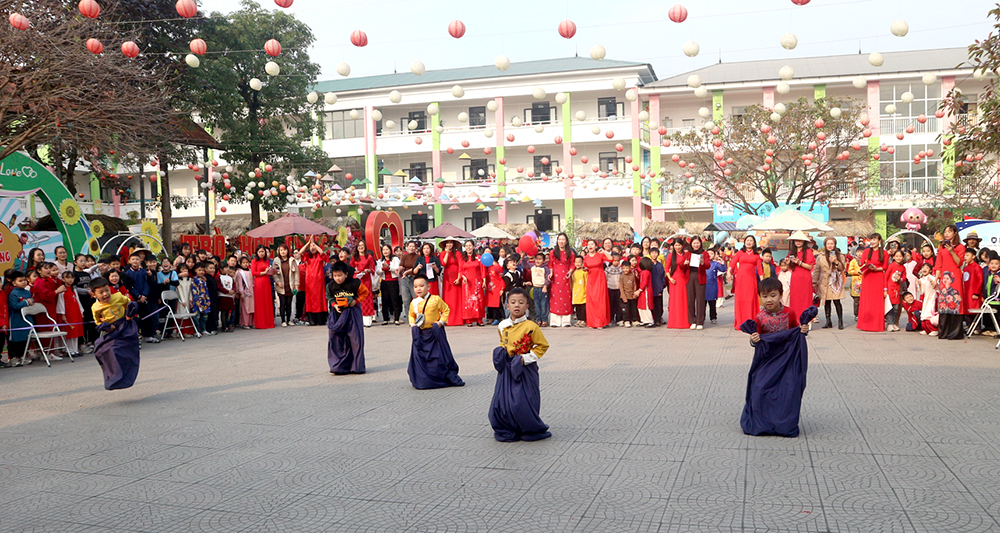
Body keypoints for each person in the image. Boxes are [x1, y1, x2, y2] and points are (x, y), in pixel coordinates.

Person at [741, 277, 812, 438]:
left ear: (781, 295)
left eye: (773, 295)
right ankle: (763, 423)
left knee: (788, 390)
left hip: (788, 359)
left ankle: (783, 424)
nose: (769, 300)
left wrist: (804, 330)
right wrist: (753, 340)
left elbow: (797, 331)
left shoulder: (790, 313)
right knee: (759, 388)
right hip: (766, 360)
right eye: (764, 296)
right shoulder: (759, 317)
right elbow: (755, 337)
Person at [488, 288, 551, 443]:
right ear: (506, 305)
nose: (517, 305)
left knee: (522, 402)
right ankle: (508, 427)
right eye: (513, 302)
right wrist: (501, 351)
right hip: (507, 369)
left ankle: (529, 427)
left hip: (525, 369)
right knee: (502, 401)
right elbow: (504, 341)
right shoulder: (502, 325)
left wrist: (525, 359)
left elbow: (542, 346)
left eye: (521, 302)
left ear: (527, 306)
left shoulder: (532, 326)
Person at [407, 276, 464, 389]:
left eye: (422, 286)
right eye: (415, 286)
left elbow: (446, 309)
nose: (418, 289)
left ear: (428, 286)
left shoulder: (436, 299)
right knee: (421, 358)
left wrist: (441, 322)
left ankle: (440, 376)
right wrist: (412, 324)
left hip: (433, 333)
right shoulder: (414, 302)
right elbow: (411, 315)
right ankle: (423, 379)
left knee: (438, 357)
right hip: (421, 334)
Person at [89, 276, 141, 390]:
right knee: (103, 350)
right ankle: (114, 378)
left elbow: (130, 303)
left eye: (107, 290)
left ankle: (127, 375)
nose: (105, 294)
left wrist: (129, 314)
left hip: (125, 326)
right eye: (101, 292)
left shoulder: (117, 297)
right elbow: (98, 323)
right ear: (94, 294)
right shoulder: (95, 307)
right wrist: (107, 327)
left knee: (123, 350)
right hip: (112, 330)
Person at [326, 261, 366, 375]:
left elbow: (365, 293)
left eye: (340, 275)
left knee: (355, 339)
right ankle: (338, 366)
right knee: (336, 338)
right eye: (335, 276)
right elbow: (329, 296)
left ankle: (356, 366)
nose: (337, 278)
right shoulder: (330, 286)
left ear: (346, 274)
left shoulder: (355, 283)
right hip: (338, 314)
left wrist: (355, 301)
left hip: (352, 313)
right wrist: (334, 305)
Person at [935, 225, 966, 339]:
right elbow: (938, 265)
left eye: (949, 231)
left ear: (955, 233)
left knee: (955, 301)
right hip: (943, 278)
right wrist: (936, 279)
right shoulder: (941, 248)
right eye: (945, 231)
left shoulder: (960, 247)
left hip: (955, 278)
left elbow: (959, 263)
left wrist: (952, 251)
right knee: (943, 303)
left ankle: (955, 333)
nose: (947, 233)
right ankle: (943, 332)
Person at [123, 251, 159, 344]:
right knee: (135, 319)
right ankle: (135, 337)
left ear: (140, 261)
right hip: (134, 299)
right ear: (129, 261)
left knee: (147, 317)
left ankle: (147, 335)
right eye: (133, 259)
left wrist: (144, 295)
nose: (135, 261)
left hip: (144, 298)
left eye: (137, 259)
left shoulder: (144, 272)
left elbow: (147, 285)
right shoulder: (127, 273)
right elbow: (130, 287)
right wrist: (138, 296)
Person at [857, 233, 888, 332]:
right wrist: (861, 263)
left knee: (877, 302)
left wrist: (876, 268)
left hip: (878, 277)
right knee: (867, 301)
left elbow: (885, 267)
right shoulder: (866, 251)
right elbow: (862, 263)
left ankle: (876, 325)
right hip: (867, 278)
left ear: (879, 241)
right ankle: (865, 325)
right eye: (871, 239)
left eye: (875, 239)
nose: (872, 241)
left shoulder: (884, 253)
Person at [730, 236, 762, 330]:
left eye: (751, 241)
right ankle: (740, 322)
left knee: (751, 300)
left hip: (751, 280)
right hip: (741, 280)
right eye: (747, 240)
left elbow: (760, 269)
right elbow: (732, 263)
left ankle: (751, 321)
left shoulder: (756, 255)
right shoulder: (740, 253)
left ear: (754, 243)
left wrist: (763, 280)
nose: (749, 242)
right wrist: (729, 271)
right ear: (744, 242)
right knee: (741, 300)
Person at [815, 237, 847, 330]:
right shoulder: (820, 256)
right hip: (824, 281)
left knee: (837, 301)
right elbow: (817, 270)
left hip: (835, 281)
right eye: (828, 244)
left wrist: (836, 261)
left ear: (835, 245)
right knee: (827, 301)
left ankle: (840, 321)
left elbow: (842, 268)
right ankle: (828, 321)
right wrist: (814, 281)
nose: (830, 245)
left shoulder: (840, 255)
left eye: (832, 244)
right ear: (825, 245)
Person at [786, 232, 817, 319]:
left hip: (805, 277)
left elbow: (810, 266)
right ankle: (795, 318)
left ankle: (807, 319)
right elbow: (790, 267)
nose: (798, 242)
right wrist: (788, 263)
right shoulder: (792, 252)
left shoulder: (808, 251)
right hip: (795, 277)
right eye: (796, 240)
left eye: (800, 240)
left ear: (804, 241)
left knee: (805, 299)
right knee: (795, 299)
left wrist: (799, 262)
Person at [7, 271, 34, 367]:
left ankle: (23, 356)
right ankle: (13, 358)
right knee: (16, 339)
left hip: (27, 319)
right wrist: (26, 302)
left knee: (25, 338)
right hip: (16, 320)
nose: (23, 282)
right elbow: (15, 306)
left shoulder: (27, 292)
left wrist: (31, 301)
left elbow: (32, 300)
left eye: (24, 280)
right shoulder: (13, 294)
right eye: (20, 281)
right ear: (14, 283)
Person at [299, 237, 328, 326]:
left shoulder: (320, 256)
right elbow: (300, 252)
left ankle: (321, 319)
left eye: (314, 246)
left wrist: (315, 244)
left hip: (319, 281)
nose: (313, 248)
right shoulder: (307, 257)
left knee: (320, 299)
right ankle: (312, 319)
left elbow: (322, 252)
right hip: (309, 281)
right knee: (310, 300)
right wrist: (308, 243)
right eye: (311, 246)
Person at [548, 233, 575, 327]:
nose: (561, 241)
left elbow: (572, 264)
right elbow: (550, 264)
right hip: (555, 277)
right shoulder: (553, 252)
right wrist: (551, 273)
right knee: (555, 297)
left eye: (563, 239)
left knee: (566, 297)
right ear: (557, 241)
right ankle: (554, 321)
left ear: (566, 241)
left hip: (566, 277)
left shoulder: (570, 253)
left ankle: (566, 321)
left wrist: (570, 272)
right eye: (559, 239)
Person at [583, 241, 610, 329]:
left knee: (600, 300)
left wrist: (604, 252)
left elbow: (611, 259)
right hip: (591, 279)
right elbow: (585, 266)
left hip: (600, 279)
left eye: (592, 244)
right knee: (591, 300)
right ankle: (591, 322)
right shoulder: (586, 257)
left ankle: (600, 322)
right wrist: (585, 269)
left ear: (595, 246)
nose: (590, 246)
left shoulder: (600, 255)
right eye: (589, 244)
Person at [56, 271, 84, 357]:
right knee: (70, 332)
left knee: (76, 332)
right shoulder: (62, 289)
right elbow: (60, 302)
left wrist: (81, 311)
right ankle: (69, 350)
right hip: (68, 313)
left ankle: (75, 350)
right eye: (67, 278)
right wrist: (62, 314)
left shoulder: (73, 289)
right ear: (63, 279)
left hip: (75, 312)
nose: (70, 280)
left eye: (72, 277)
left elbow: (78, 301)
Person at [459, 240, 486, 326]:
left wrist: (484, 281)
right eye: (466, 246)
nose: (468, 248)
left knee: (478, 300)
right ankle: (468, 320)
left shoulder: (479, 257)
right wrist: (463, 277)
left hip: (477, 282)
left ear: (473, 247)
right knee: (468, 300)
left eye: (470, 245)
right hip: (467, 283)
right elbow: (460, 270)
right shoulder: (462, 259)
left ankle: (479, 319)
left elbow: (483, 270)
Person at [351, 241, 378, 328]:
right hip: (357, 280)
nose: (361, 247)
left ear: (365, 247)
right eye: (359, 245)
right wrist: (354, 271)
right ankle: (358, 319)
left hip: (366, 280)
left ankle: (367, 320)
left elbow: (373, 269)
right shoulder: (354, 257)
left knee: (367, 298)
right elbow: (350, 268)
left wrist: (368, 270)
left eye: (362, 245)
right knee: (358, 297)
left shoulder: (369, 257)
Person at [685, 236, 710, 329]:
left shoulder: (704, 253)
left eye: (698, 243)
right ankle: (692, 321)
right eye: (694, 243)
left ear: (700, 244)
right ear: (691, 244)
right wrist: (685, 263)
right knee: (690, 299)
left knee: (700, 300)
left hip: (700, 277)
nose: (696, 245)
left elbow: (708, 265)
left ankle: (700, 321)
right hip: (690, 277)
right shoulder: (688, 254)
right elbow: (681, 266)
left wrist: (703, 263)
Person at [249, 246, 275, 330]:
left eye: (263, 251)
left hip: (266, 281)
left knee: (267, 301)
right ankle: (261, 323)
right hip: (259, 282)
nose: (261, 253)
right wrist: (264, 272)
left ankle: (269, 322)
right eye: (259, 251)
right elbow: (253, 272)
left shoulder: (267, 260)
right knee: (260, 302)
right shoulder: (254, 261)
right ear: (256, 252)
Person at [272, 244, 298, 328]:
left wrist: (296, 285)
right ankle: (283, 321)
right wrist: (278, 282)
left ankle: (289, 320)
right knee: (282, 303)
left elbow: (296, 274)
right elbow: (274, 273)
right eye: (281, 250)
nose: (283, 252)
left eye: (284, 250)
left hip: (290, 285)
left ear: (287, 251)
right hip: (281, 286)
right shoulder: (276, 260)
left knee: (289, 303)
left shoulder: (292, 260)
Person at [439, 238, 463, 326]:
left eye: (451, 243)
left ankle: (458, 319)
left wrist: (459, 277)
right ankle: (448, 319)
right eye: (448, 243)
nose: (449, 244)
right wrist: (447, 253)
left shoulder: (457, 253)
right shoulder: (442, 253)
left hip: (456, 276)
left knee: (457, 298)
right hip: (447, 277)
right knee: (448, 299)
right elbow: (443, 264)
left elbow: (461, 265)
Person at [379, 245, 403, 325]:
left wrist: (388, 267)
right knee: (385, 300)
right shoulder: (380, 260)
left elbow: (396, 269)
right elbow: (377, 272)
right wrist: (382, 269)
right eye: (383, 250)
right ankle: (386, 319)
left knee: (395, 300)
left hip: (393, 281)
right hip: (384, 282)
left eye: (387, 249)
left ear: (390, 250)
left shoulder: (395, 259)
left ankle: (396, 318)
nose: (385, 251)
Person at [885, 250, 907, 332]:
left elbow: (904, 277)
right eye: (896, 256)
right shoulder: (891, 266)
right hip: (890, 288)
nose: (898, 258)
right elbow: (886, 277)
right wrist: (885, 289)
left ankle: (893, 322)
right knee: (889, 307)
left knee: (896, 307)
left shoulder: (903, 267)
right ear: (893, 257)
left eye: (900, 256)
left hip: (897, 289)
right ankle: (890, 323)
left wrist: (900, 279)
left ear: (903, 257)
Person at [527, 253, 551, 327]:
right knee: (536, 305)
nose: (538, 261)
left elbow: (548, 278)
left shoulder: (545, 268)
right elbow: (525, 265)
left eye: (540, 259)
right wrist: (522, 257)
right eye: (536, 259)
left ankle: (544, 320)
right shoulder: (533, 267)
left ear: (543, 261)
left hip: (543, 288)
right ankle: (538, 319)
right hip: (535, 288)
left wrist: (545, 286)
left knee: (544, 305)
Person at [398, 241, 420, 319]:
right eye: (410, 246)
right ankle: (409, 317)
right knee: (406, 299)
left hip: (414, 278)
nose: (411, 248)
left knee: (416, 298)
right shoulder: (404, 256)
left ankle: (417, 316)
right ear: (407, 247)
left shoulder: (418, 257)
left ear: (415, 248)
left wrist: (407, 271)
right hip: (405, 278)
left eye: (413, 246)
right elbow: (402, 265)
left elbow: (414, 267)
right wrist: (399, 269)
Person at [917, 262, 940, 336]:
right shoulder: (921, 279)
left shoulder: (932, 278)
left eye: (927, 268)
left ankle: (934, 329)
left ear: (930, 270)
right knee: (924, 312)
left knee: (930, 312)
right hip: (926, 298)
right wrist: (919, 285)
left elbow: (937, 287)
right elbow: (921, 291)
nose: (924, 269)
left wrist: (933, 282)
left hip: (932, 297)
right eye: (923, 267)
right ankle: (926, 329)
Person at [705, 249, 727, 325]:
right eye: (708, 253)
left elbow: (723, 269)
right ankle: (701, 317)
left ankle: (713, 317)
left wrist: (722, 262)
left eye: (712, 253)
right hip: (703, 286)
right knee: (702, 304)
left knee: (712, 303)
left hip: (712, 286)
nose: (710, 255)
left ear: (714, 255)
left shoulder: (715, 264)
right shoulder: (702, 263)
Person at [190, 262, 211, 338]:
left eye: (202, 270)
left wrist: (208, 300)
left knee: (204, 316)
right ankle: (197, 331)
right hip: (197, 302)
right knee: (197, 316)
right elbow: (194, 291)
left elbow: (206, 290)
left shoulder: (204, 280)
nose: (201, 272)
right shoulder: (194, 280)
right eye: (199, 270)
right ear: (195, 270)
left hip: (204, 301)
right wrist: (197, 301)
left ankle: (203, 329)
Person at [485, 253, 506, 325]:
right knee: (490, 304)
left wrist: (502, 288)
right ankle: (491, 317)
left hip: (497, 288)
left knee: (497, 304)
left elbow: (501, 279)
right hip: (490, 289)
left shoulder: (497, 267)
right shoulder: (487, 267)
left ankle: (499, 317)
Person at [619, 259, 639, 327]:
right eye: (624, 268)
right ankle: (626, 321)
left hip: (632, 295)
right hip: (625, 296)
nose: (625, 270)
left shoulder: (632, 275)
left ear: (630, 267)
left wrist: (634, 293)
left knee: (633, 308)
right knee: (625, 310)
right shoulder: (622, 276)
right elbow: (621, 287)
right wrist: (623, 297)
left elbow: (634, 284)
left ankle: (634, 320)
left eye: (627, 268)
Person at [650, 247, 667, 327]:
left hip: (659, 287)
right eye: (652, 253)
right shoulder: (648, 265)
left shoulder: (660, 265)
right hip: (650, 287)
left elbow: (663, 276)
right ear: (650, 254)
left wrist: (662, 285)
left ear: (658, 254)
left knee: (659, 305)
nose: (654, 255)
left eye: (655, 253)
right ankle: (652, 319)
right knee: (651, 304)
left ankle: (658, 319)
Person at [605, 253, 623, 326]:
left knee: (619, 304)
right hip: (610, 288)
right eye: (614, 260)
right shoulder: (608, 269)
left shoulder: (620, 269)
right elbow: (605, 278)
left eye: (617, 261)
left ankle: (619, 319)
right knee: (611, 304)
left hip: (618, 289)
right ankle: (611, 319)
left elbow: (622, 278)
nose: (616, 262)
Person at [637, 257, 654, 327]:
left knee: (646, 306)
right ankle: (644, 320)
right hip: (643, 291)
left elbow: (644, 282)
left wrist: (639, 290)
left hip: (646, 291)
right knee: (641, 306)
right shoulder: (644, 272)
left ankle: (649, 321)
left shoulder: (646, 272)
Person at [847, 248, 863, 321]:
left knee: (863, 300)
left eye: (861, 252)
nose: (860, 254)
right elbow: (849, 271)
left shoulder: (865, 261)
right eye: (858, 252)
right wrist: (857, 272)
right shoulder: (853, 261)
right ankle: (856, 314)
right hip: (856, 283)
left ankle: (862, 314)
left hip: (864, 282)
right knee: (856, 300)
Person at [218, 265, 236, 333]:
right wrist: (227, 291)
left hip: (230, 296)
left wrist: (233, 290)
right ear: (221, 269)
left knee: (228, 312)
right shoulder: (219, 277)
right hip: (223, 296)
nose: (227, 269)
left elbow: (234, 285)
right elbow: (219, 286)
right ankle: (224, 326)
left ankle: (227, 325)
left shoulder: (230, 278)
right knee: (224, 312)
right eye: (225, 268)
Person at [571, 255, 588, 327]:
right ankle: (579, 319)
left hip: (583, 292)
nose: (578, 264)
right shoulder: (573, 272)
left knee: (583, 307)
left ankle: (583, 320)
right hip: (576, 293)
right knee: (577, 307)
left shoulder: (584, 272)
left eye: (579, 262)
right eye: (576, 262)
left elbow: (587, 282)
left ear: (582, 263)